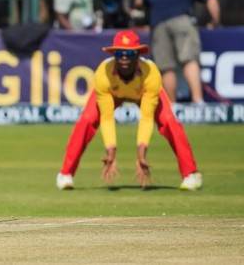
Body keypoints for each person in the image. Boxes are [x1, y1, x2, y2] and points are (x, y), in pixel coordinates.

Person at [56, 30, 203, 191]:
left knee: (169, 121)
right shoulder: (103, 74)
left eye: (129, 53)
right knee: (87, 120)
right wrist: (111, 150)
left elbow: (146, 118)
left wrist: (141, 153)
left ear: (138, 54)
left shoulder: (151, 74)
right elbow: (106, 118)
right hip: (113, 94)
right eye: (119, 53)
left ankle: (191, 174)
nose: (124, 58)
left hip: (144, 93)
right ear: (114, 54)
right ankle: (65, 174)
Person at [141, 0, 221, 103]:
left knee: (166, 66)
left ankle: (172, 105)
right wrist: (214, 21)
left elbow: (139, 0)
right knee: (189, 59)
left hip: (158, 25)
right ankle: (198, 101)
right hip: (182, 20)